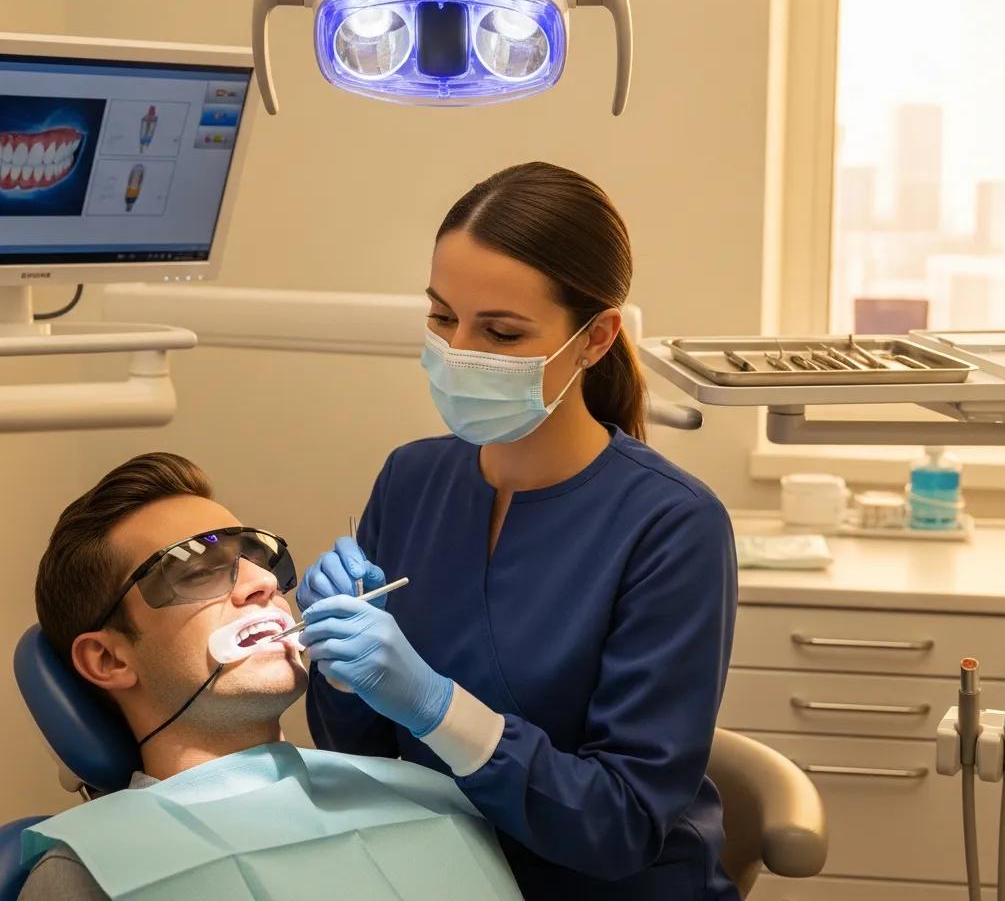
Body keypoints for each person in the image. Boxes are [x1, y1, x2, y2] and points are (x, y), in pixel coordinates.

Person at [299, 161, 740, 899]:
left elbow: (622, 824)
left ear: (596, 339)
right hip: (436, 876)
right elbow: (357, 754)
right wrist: (342, 668)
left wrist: (439, 709)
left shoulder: (672, 527)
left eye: (500, 331)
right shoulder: (411, 480)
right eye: (442, 318)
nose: (459, 351)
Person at [19, 453, 522, 901]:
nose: (262, 583)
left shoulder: (431, 796)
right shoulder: (96, 872)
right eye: (195, 570)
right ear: (109, 661)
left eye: (258, 558)